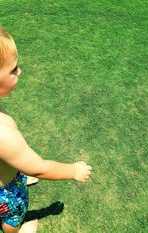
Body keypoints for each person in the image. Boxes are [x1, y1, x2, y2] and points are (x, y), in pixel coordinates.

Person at [0, 27, 92, 233]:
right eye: (13, 69)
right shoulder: (2, 135)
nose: (19, 71)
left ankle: (17, 175)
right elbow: (37, 167)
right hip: (5, 193)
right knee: (13, 214)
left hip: (9, 173)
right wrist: (73, 170)